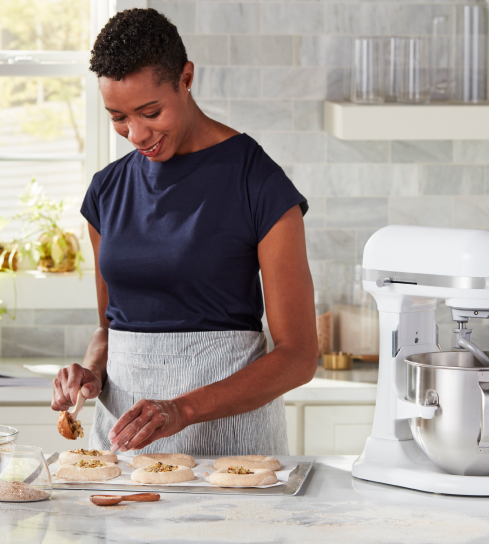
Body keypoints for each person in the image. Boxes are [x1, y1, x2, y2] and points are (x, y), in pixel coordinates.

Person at [51, 8, 317, 456]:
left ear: (186, 78)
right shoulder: (106, 191)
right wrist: (91, 374)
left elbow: (298, 357)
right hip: (124, 445)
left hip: (232, 447)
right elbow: (109, 329)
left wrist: (182, 410)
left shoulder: (257, 182)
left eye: (150, 111)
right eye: (118, 117)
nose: (135, 133)